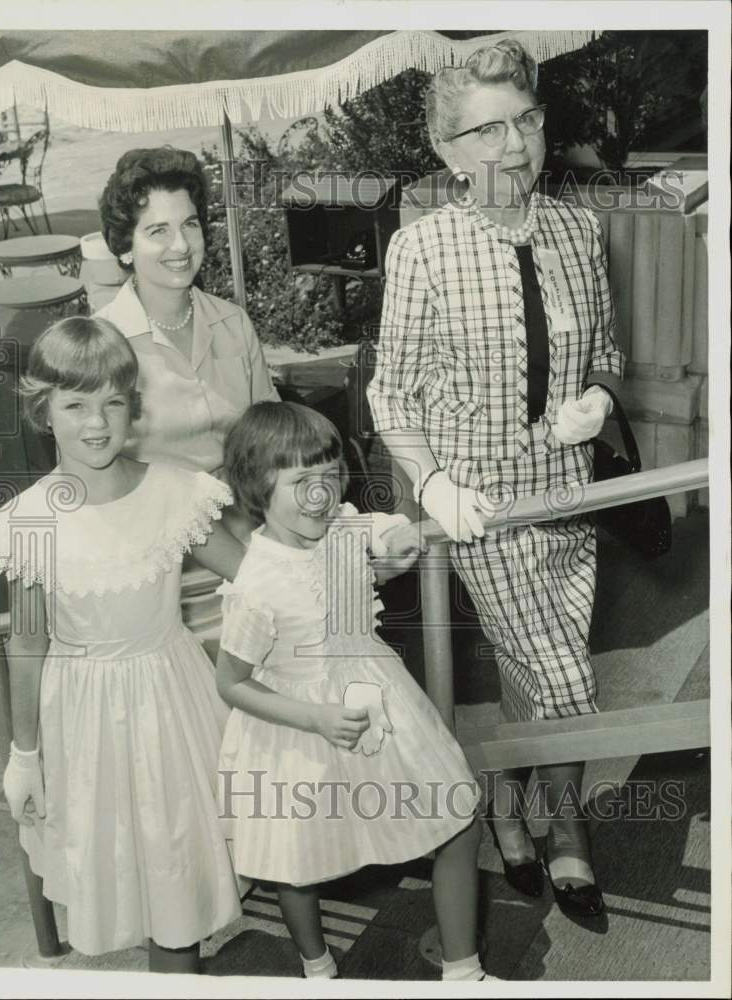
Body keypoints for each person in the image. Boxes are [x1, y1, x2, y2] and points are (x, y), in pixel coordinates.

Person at [366, 38, 624, 920]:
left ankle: (505, 809)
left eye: (524, 121)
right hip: (482, 506)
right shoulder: (422, 250)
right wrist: (434, 485)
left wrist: (595, 396)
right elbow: (389, 392)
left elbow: (606, 354)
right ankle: (566, 834)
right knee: (566, 681)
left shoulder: (577, 229)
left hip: (572, 495)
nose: (511, 146)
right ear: (446, 152)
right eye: (484, 132)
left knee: (529, 672)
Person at [0, 316, 248, 972]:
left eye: (113, 402)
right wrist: (24, 755)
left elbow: (257, 576)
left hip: (173, 704)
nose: (96, 423)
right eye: (75, 404)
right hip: (86, 724)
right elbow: (28, 644)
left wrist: (354, 543)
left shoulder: (176, 494)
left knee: (178, 880)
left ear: (133, 408)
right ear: (43, 412)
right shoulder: (31, 522)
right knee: (122, 869)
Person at [215, 401, 498, 982]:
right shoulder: (256, 583)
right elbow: (232, 683)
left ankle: (463, 972)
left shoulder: (339, 527)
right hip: (297, 725)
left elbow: (377, 531)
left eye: (329, 476)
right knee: (296, 861)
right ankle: (318, 968)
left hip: (379, 700)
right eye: (300, 482)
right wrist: (313, 718)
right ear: (256, 488)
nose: (320, 495)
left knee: (457, 818)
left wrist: (395, 539)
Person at [97, 146, 279, 477]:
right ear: (125, 246)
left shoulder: (233, 322)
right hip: (156, 518)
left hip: (246, 506)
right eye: (158, 230)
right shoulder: (100, 345)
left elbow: (272, 431)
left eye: (190, 225)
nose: (181, 245)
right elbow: (94, 472)